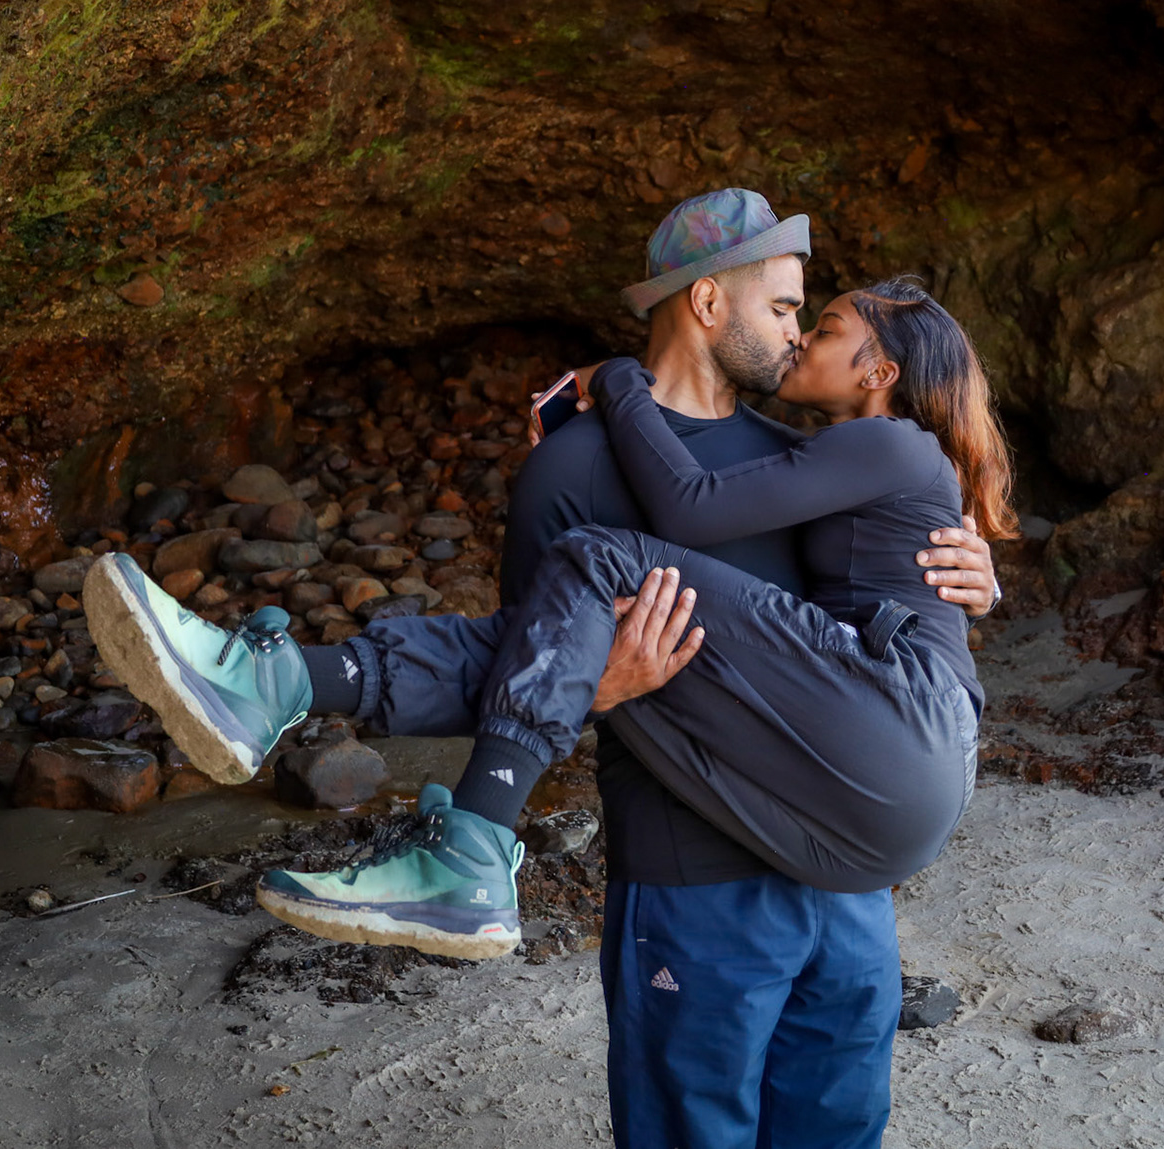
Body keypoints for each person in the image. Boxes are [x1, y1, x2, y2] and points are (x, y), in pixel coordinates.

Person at [83, 188, 1002, 1147]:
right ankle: (283, 694)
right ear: (706, 303)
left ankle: (283, 689)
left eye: (810, 317)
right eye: (782, 307)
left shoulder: (799, 459)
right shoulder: (577, 467)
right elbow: (527, 657)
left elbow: (877, 611)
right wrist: (602, 689)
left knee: (841, 1131)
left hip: (844, 875)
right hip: (697, 882)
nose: (796, 334)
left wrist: (974, 579)